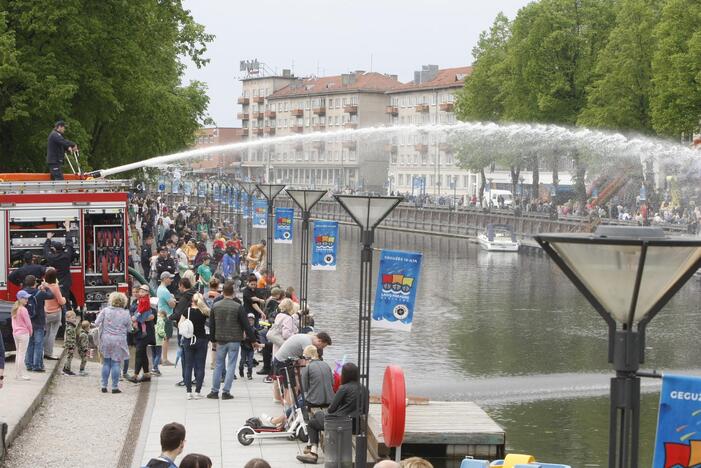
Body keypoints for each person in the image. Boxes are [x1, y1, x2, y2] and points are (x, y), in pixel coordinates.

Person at [297, 362, 367, 464]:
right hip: (355, 426)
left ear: (345, 375)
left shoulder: (343, 388)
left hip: (340, 424)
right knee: (318, 415)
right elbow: (365, 409)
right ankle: (310, 448)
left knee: (312, 423)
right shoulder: (364, 389)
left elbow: (331, 409)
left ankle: (313, 453)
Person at [207, 281, 256, 400]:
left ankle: (214, 391)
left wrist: (212, 339)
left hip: (220, 339)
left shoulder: (215, 305)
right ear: (233, 292)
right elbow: (246, 325)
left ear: (222, 292)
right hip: (234, 339)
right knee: (231, 365)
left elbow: (211, 324)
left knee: (219, 365)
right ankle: (226, 392)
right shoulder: (238, 306)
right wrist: (253, 340)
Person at [95, 292, 132, 394]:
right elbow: (130, 329)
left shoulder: (105, 311)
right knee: (116, 363)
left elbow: (97, 323)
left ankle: (104, 385)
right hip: (119, 340)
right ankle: (115, 387)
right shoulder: (126, 313)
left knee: (106, 362)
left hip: (106, 339)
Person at [180, 293, 210, 399]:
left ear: (192, 300)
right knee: (200, 366)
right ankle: (198, 391)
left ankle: (188, 392)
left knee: (188, 366)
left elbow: (180, 325)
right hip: (201, 339)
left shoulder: (186, 311)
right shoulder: (204, 311)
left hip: (189, 340)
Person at [21, 275, 52, 373]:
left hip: (27, 322)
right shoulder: (39, 293)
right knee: (38, 344)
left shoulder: (22, 293)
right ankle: (37, 365)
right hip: (39, 321)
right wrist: (46, 287)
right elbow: (51, 295)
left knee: (29, 343)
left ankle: (28, 364)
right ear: (35, 283)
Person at [44, 220, 75, 305]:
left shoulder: (50, 257)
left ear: (53, 249)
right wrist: (67, 228)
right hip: (65, 283)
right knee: (64, 301)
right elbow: (69, 244)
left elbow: (45, 249)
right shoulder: (66, 255)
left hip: (54, 284)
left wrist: (48, 238)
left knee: (54, 301)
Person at [130, 285, 156, 383]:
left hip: (145, 332)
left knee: (139, 352)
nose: (136, 294)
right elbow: (131, 312)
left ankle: (135, 375)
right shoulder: (134, 302)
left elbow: (153, 314)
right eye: (134, 292)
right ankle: (146, 374)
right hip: (137, 331)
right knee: (142, 352)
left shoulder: (148, 301)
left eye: (138, 291)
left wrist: (148, 317)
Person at [301, 345, 334, 410]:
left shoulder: (307, 368)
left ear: (306, 356)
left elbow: (305, 388)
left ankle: (277, 420)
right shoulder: (326, 365)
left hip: (314, 401)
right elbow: (332, 383)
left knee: (293, 407)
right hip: (330, 400)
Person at [42, 267, 65, 360]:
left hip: (46, 312)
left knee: (46, 333)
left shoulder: (44, 285)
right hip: (56, 313)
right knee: (53, 334)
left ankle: (42, 351)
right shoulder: (55, 287)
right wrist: (64, 299)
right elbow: (61, 301)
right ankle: (49, 353)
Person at [12, 290, 33, 381]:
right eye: (25, 298)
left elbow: (13, 323)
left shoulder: (14, 308)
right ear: (20, 299)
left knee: (18, 353)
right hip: (24, 333)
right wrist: (30, 331)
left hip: (16, 333)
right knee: (22, 354)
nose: (27, 300)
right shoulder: (23, 310)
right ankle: (20, 375)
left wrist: (14, 331)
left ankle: (17, 374)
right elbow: (28, 323)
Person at [157, 272, 177, 366]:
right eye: (170, 278)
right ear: (164, 278)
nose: (171, 280)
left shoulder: (160, 289)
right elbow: (172, 304)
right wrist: (173, 299)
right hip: (167, 316)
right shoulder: (165, 291)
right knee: (166, 338)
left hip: (161, 315)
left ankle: (160, 358)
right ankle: (165, 359)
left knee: (162, 338)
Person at [239, 313, 260, 380]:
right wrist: (242, 339)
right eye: (249, 320)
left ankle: (249, 374)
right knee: (242, 360)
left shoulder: (254, 329)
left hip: (251, 348)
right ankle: (241, 369)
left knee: (250, 361)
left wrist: (257, 343)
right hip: (244, 347)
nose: (250, 321)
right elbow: (240, 338)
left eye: (252, 320)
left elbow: (258, 338)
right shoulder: (243, 329)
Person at [62, 310, 79, 376]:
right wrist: (71, 347)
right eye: (72, 318)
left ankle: (66, 369)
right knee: (69, 357)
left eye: (74, 318)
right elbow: (69, 338)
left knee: (70, 357)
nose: (74, 319)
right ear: (67, 319)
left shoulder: (71, 326)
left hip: (71, 344)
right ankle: (66, 370)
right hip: (70, 345)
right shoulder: (70, 327)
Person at [152, 310, 167, 376]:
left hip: (151, 338)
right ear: (163, 315)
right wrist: (164, 335)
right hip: (157, 340)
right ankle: (154, 368)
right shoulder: (161, 321)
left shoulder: (153, 319)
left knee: (154, 354)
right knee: (158, 354)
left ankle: (156, 369)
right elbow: (160, 331)